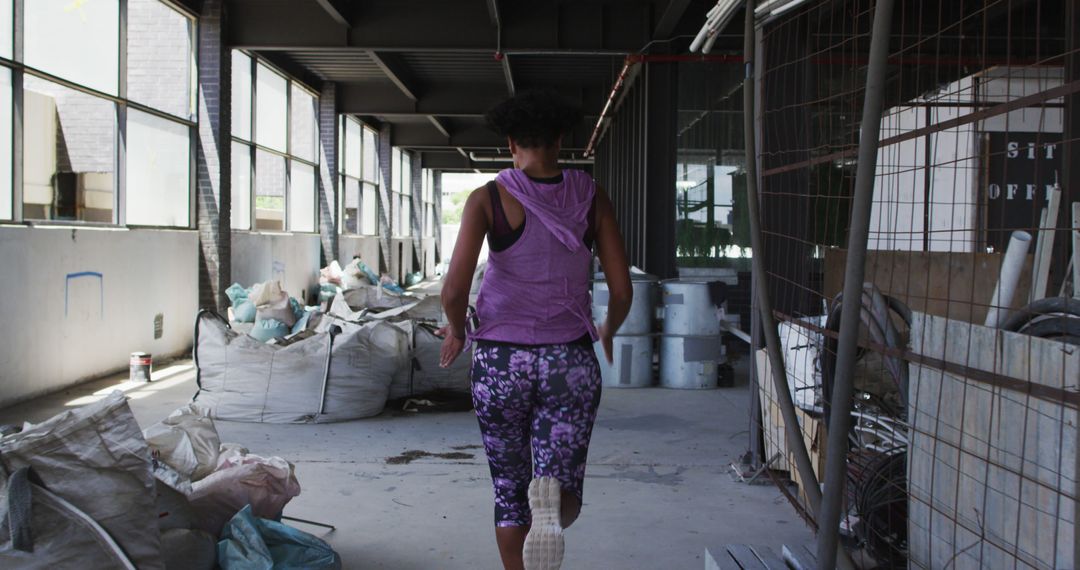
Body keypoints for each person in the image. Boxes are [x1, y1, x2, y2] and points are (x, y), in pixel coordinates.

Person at [437, 90, 632, 570]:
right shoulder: (592, 197)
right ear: (561, 140)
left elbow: (453, 287)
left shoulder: (488, 198)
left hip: (501, 361)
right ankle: (552, 510)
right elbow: (622, 288)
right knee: (558, 482)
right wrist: (609, 326)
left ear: (510, 143)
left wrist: (458, 329)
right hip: (570, 360)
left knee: (508, 486)